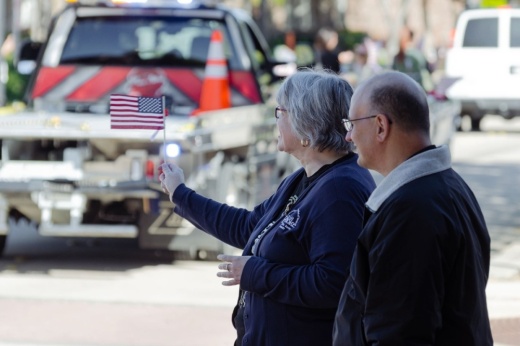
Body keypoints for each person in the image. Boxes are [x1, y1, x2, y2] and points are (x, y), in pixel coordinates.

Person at [159, 68, 376, 345]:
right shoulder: (304, 178)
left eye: (280, 112)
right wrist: (180, 193)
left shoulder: (340, 189)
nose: (276, 120)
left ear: (306, 124)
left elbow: (332, 283)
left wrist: (254, 273)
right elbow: (249, 227)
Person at [332, 71, 493, 345]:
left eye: (352, 123)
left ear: (381, 126)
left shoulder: (411, 211)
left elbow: (399, 333)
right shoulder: (448, 187)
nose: (348, 136)